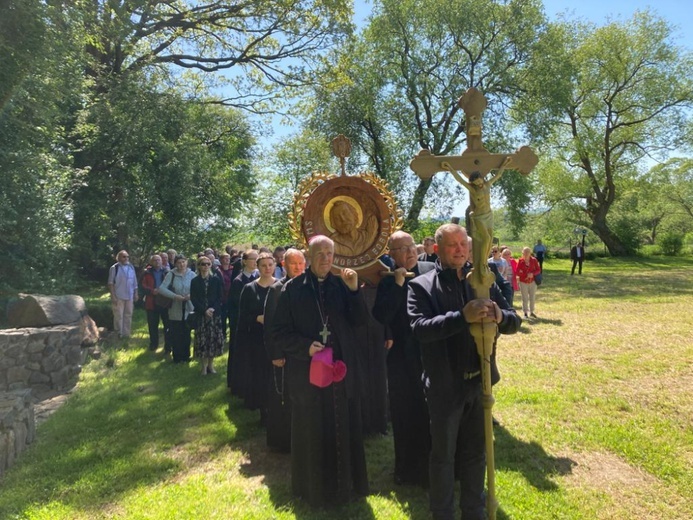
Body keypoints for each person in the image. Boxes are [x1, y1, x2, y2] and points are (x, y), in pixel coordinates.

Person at [407, 223, 521, 520]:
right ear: (437, 248)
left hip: (480, 382)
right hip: (445, 385)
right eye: (451, 245)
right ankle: (442, 512)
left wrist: (499, 315)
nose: (459, 250)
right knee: (443, 456)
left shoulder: (483, 281)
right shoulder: (421, 285)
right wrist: (461, 317)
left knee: (476, 453)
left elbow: (514, 319)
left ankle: (474, 510)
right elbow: (419, 329)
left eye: (463, 245)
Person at [272, 235, 369, 506]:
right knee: (312, 427)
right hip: (308, 374)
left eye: (330, 253)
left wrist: (353, 291)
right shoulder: (292, 290)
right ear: (309, 256)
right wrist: (306, 347)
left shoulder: (342, 285)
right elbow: (279, 332)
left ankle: (345, 486)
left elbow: (360, 322)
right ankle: (313, 489)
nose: (326, 258)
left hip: (339, 371)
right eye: (320, 254)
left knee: (342, 424)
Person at [372, 231, 435, 488]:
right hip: (401, 357)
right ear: (392, 254)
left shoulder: (431, 269)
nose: (409, 252)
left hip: (430, 352)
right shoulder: (388, 280)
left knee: (431, 412)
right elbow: (382, 315)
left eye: (411, 246)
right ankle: (406, 469)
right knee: (404, 411)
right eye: (402, 249)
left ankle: (435, 466)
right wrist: (398, 286)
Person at [441, 158, 511, 287]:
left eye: (480, 181)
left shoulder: (487, 185)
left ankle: (484, 263)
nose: (479, 184)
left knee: (490, 240)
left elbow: (498, 175)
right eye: (476, 182)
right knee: (485, 239)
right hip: (478, 216)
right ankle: (483, 263)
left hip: (489, 215)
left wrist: (504, 164)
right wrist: (450, 168)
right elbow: (460, 180)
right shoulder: (473, 190)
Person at [263, 248, 307, 452]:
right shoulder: (276, 290)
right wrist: (276, 354)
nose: (297, 267)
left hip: (304, 352)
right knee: (284, 397)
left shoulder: (309, 286)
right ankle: (284, 440)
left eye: (300, 263)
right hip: (284, 354)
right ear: (284, 265)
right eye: (293, 264)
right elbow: (271, 326)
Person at [236, 252, 277, 420]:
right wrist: (257, 318)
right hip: (257, 340)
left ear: (275, 266)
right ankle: (264, 410)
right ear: (257, 267)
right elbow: (242, 315)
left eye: (270, 265)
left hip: (276, 338)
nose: (267, 268)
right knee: (260, 374)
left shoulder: (282, 286)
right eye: (263, 265)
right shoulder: (249, 289)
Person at [227, 249, 259, 394]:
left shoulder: (259, 276)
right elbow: (237, 304)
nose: (255, 262)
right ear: (245, 261)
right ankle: (237, 384)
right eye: (253, 259)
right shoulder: (239, 281)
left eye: (256, 259)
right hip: (242, 322)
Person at [158, 255, 196, 363]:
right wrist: (174, 296)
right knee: (176, 332)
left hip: (188, 307)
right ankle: (177, 357)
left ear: (186, 262)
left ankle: (186, 356)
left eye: (183, 262)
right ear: (175, 264)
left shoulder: (192, 274)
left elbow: (197, 288)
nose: (181, 264)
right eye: (179, 262)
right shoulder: (171, 274)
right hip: (175, 307)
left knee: (187, 332)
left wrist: (190, 295)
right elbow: (161, 289)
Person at [191, 256, 225, 375]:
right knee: (202, 341)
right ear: (199, 266)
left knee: (213, 340)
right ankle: (204, 366)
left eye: (208, 264)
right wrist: (204, 310)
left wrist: (212, 309)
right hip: (201, 315)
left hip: (214, 315)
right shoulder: (195, 281)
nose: (205, 266)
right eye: (203, 264)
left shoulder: (215, 280)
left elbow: (219, 297)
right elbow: (194, 298)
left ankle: (211, 365)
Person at [140, 254, 171, 353]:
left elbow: (171, 285)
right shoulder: (146, 273)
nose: (157, 262)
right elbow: (142, 286)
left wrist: (164, 291)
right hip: (151, 302)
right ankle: (154, 344)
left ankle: (168, 346)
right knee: (153, 325)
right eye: (155, 260)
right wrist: (151, 291)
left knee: (168, 325)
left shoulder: (167, 272)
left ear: (162, 261)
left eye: (159, 260)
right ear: (151, 262)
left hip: (165, 302)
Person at [107, 250, 139, 339]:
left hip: (130, 295)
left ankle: (126, 334)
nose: (126, 258)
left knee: (128, 314)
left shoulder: (131, 267)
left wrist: (136, 293)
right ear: (119, 258)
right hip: (118, 295)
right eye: (124, 257)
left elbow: (134, 282)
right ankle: (118, 334)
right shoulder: (114, 268)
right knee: (118, 315)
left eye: (127, 257)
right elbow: (110, 283)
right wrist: (113, 296)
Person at [516, 246, 541, 319]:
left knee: (532, 297)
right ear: (522, 253)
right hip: (523, 281)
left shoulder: (534, 260)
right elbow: (517, 271)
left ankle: (532, 311)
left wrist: (532, 274)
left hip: (532, 281)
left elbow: (538, 270)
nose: (526, 254)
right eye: (524, 252)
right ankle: (525, 313)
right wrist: (525, 274)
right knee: (524, 298)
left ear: (530, 253)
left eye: (528, 252)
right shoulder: (520, 261)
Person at [216, 252, 235, 343]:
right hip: (222, 298)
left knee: (232, 318)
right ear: (221, 260)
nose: (227, 259)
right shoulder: (217, 270)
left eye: (228, 258)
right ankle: (223, 336)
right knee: (222, 319)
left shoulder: (233, 269)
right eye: (225, 258)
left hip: (232, 298)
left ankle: (233, 336)